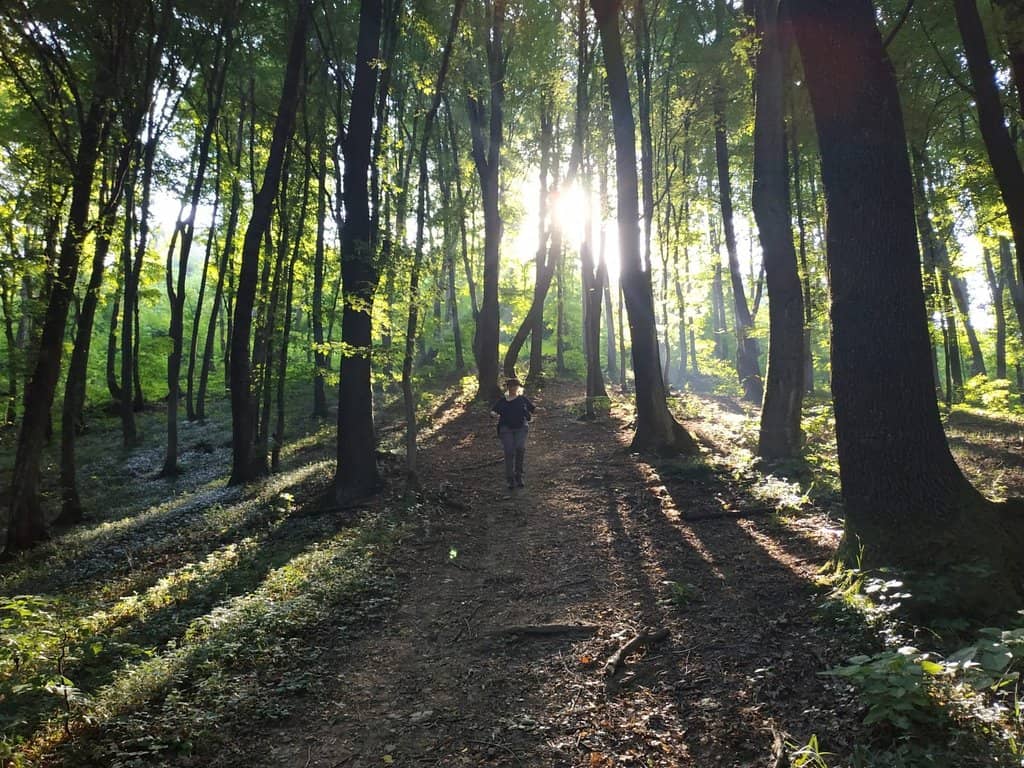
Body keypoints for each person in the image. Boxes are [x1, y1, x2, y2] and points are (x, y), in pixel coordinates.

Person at [491, 377, 537, 490]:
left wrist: (541, 409)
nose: (513, 388)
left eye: (515, 386)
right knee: (509, 451)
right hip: (505, 428)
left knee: (520, 448)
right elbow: (494, 410)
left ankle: (519, 475)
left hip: (521, 427)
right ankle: (510, 478)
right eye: (511, 386)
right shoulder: (502, 400)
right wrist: (492, 414)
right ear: (507, 387)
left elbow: (532, 409)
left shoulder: (522, 399)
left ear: (518, 387)